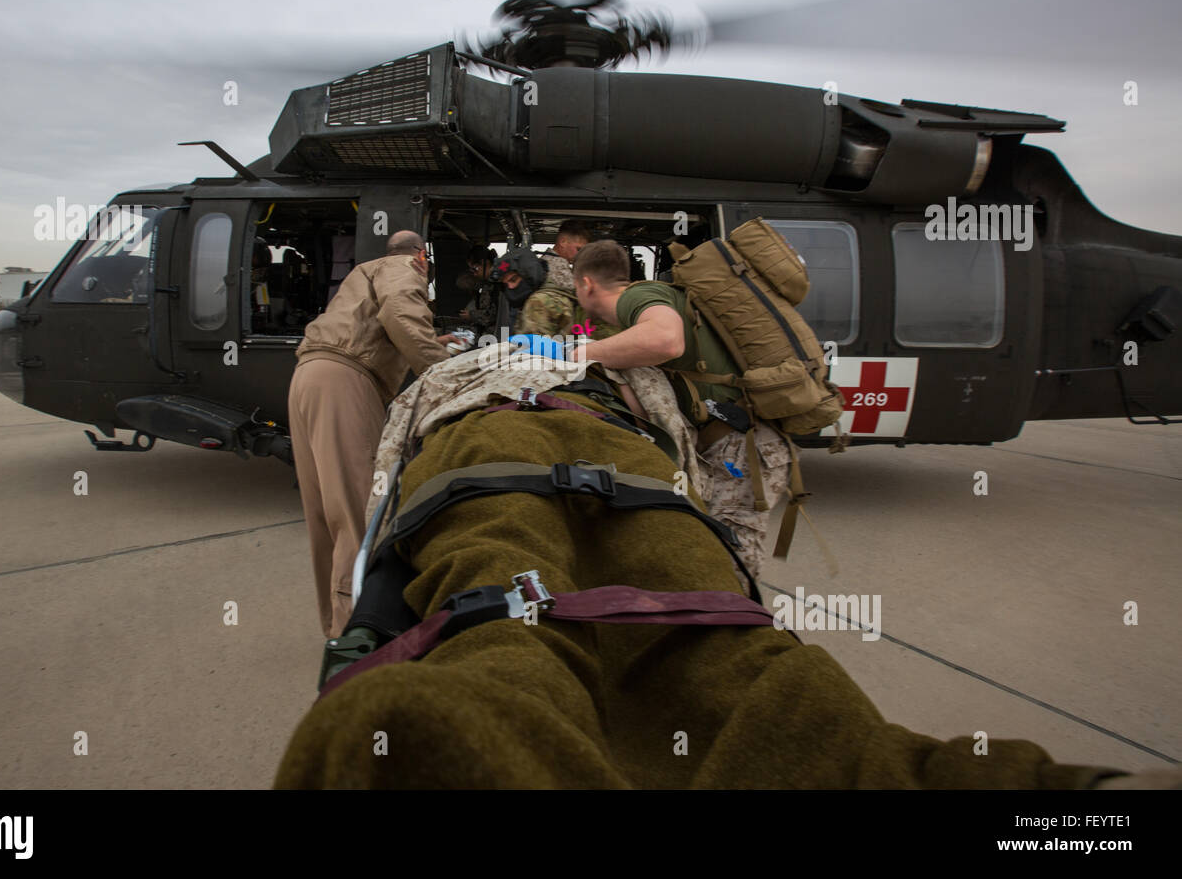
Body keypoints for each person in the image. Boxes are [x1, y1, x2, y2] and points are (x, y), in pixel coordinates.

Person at [274, 349, 1153, 789]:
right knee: (720, 642)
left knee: (500, 605)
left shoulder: (461, 370)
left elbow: (401, 449)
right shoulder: (619, 374)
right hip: (626, 458)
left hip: (486, 440)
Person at [571, 239, 790, 585]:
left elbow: (665, 341)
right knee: (704, 547)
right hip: (730, 441)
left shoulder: (637, 299)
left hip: (745, 446)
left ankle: (732, 629)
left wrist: (581, 354)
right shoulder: (641, 306)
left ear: (586, 284)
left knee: (729, 561)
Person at [287, 230, 457, 637]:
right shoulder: (405, 267)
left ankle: (336, 628)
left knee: (326, 517)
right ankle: (359, 640)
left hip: (310, 377)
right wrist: (444, 373)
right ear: (421, 257)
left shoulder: (365, 271)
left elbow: (376, 324)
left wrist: (433, 341)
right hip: (346, 381)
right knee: (361, 515)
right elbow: (399, 312)